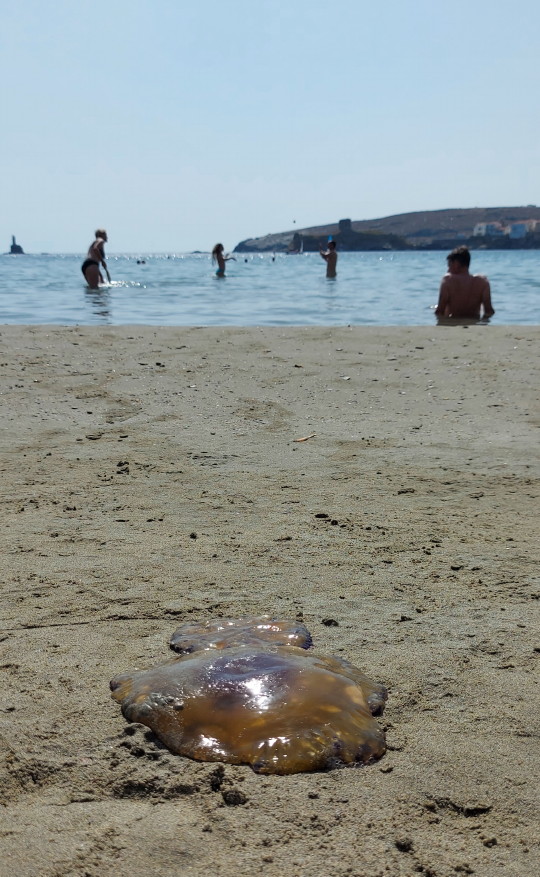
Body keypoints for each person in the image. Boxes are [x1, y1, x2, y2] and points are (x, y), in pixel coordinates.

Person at [435, 246, 494, 320]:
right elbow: (489, 311)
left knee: (434, 307)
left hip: (452, 322)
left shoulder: (448, 280)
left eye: (449, 265)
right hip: (474, 321)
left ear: (456, 264)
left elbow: (440, 311)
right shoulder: (483, 282)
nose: (448, 270)